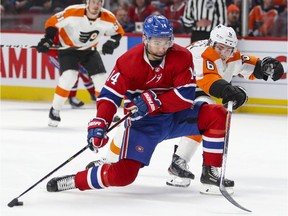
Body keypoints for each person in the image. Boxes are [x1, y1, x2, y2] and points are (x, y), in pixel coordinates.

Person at [45, 15, 234, 195]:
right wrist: (101, 121)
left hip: (176, 116)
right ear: (145, 39)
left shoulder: (182, 56)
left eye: (166, 42)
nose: (162, 48)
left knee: (217, 114)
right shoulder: (128, 62)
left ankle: (210, 173)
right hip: (144, 125)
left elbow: (186, 96)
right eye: (156, 42)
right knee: (123, 177)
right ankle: (74, 180)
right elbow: (110, 95)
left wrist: (156, 101)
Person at [165, 24, 284, 193]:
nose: (223, 53)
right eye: (220, 48)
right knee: (209, 112)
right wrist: (229, 91)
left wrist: (264, 66)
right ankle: (207, 172)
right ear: (211, 43)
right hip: (173, 90)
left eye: (228, 49)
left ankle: (178, 163)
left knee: (205, 116)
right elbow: (208, 81)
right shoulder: (201, 55)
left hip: (194, 91)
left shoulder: (230, 54)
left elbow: (243, 63)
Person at [36, 0, 125, 127]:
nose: (96, 5)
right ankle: (55, 109)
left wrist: (112, 43)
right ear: (87, 3)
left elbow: (118, 33)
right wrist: (48, 40)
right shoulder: (73, 12)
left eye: (99, 2)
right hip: (68, 49)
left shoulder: (108, 17)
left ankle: (106, 112)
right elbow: (52, 22)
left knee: (101, 78)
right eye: (93, 2)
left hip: (89, 50)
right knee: (69, 77)